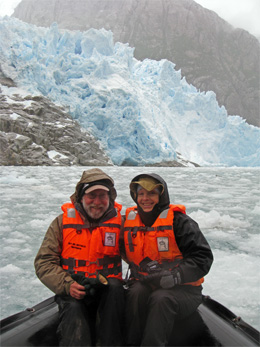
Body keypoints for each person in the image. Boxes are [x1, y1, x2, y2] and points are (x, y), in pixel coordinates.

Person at [120, 173, 214, 346]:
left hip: (184, 291)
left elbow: (203, 257)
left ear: (161, 196)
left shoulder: (180, 223)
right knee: (135, 293)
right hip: (147, 283)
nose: (145, 199)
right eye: (141, 194)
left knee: (161, 298)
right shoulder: (128, 222)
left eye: (151, 194)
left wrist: (176, 275)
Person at [35, 168, 125, 346]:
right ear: (81, 197)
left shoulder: (121, 224)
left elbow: (141, 251)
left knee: (115, 288)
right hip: (73, 289)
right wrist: (67, 285)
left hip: (107, 291)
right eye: (92, 195)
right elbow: (44, 262)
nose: (97, 202)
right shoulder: (62, 223)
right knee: (74, 310)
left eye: (102, 196)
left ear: (110, 199)